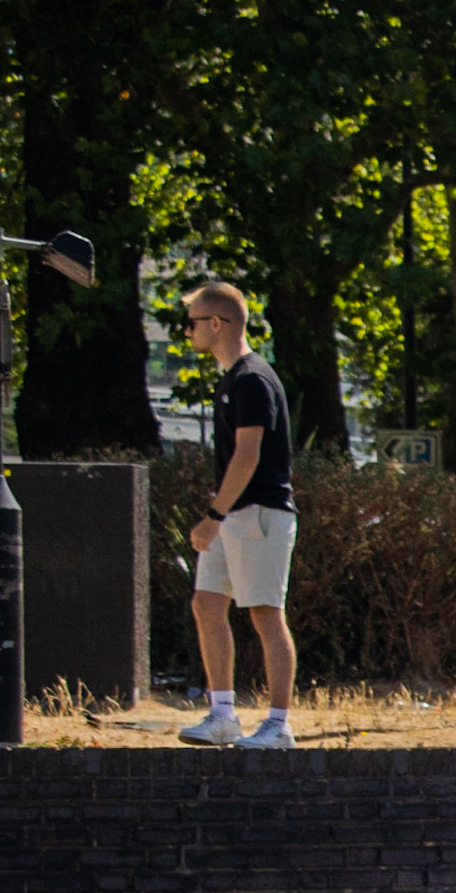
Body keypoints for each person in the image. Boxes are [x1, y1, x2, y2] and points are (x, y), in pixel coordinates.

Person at [177, 282, 298, 749]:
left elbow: (248, 457)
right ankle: (223, 714)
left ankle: (278, 725)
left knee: (267, 615)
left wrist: (213, 515)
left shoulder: (252, 379)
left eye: (191, 323)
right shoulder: (231, 379)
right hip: (234, 517)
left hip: (260, 514)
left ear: (216, 324)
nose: (186, 332)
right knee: (207, 604)